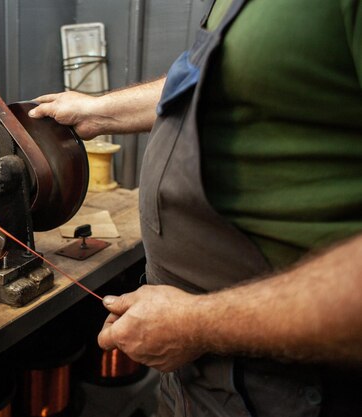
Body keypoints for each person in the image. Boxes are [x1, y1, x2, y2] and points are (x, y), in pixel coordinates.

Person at [29, 0, 362, 416]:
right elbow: (218, 84)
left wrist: (197, 323)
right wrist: (97, 110)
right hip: (197, 375)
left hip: (286, 387)